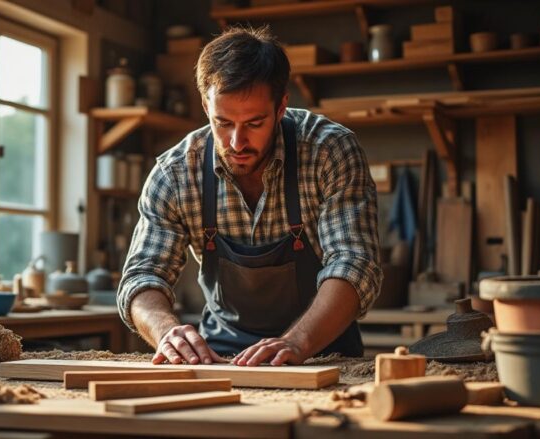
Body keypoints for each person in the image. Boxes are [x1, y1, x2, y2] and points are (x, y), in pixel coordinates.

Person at [117, 26, 382, 367]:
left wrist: (298, 342)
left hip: (321, 353)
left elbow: (355, 264)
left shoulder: (328, 151)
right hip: (219, 356)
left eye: (254, 123)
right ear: (205, 105)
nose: (237, 143)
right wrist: (166, 330)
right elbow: (142, 276)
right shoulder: (175, 174)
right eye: (223, 123)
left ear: (281, 106)